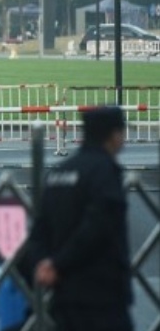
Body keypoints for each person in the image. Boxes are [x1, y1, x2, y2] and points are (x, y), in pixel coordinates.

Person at [28, 106, 131, 331]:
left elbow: (38, 229)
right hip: (102, 292)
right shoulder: (105, 171)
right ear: (114, 135)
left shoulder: (58, 172)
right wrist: (59, 263)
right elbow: (99, 226)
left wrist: (44, 264)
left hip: (63, 293)